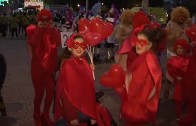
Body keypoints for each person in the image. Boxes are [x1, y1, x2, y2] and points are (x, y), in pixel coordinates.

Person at [103, 25, 165, 126]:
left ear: (149, 45)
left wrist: (145, 102)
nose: (137, 45)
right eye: (137, 41)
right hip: (134, 103)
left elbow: (156, 83)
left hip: (139, 107)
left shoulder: (149, 58)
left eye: (142, 42)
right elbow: (130, 75)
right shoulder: (142, 58)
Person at [26, 9, 61, 126]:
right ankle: (36, 115)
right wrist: (40, 30)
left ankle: (45, 114)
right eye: (42, 19)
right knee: (39, 93)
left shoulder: (53, 31)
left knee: (50, 92)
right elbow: (34, 43)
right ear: (39, 20)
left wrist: (51, 29)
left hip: (49, 69)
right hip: (37, 68)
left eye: (47, 19)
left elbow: (58, 42)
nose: (45, 22)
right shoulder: (33, 31)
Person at [54, 34, 98, 126]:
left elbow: (88, 90)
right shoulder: (68, 65)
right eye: (76, 45)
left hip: (86, 108)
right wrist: (72, 116)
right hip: (75, 110)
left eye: (82, 45)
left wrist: (89, 70)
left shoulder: (84, 62)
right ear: (70, 48)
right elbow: (65, 93)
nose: (79, 48)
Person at [167, 39, 190, 121]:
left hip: (188, 82)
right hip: (179, 83)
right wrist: (176, 77)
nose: (179, 50)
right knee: (178, 100)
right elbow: (171, 71)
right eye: (178, 48)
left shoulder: (189, 59)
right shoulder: (173, 60)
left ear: (185, 48)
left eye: (181, 48)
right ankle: (179, 116)